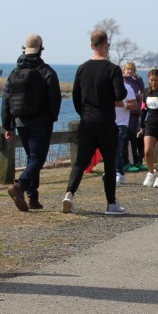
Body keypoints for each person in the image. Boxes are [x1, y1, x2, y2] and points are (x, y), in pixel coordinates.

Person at [62, 29, 128, 215]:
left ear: (91, 45)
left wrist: (84, 113)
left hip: (87, 121)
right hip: (106, 121)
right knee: (109, 162)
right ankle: (111, 203)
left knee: (80, 162)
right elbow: (120, 94)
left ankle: (69, 194)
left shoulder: (82, 68)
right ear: (106, 45)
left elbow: (76, 96)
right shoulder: (112, 69)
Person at [2, 34, 62, 212]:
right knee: (37, 159)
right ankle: (20, 186)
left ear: (25, 49)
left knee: (32, 159)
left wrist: (8, 125)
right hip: (41, 121)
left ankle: (33, 198)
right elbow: (55, 98)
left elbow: (6, 99)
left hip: (21, 121)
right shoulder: (47, 72)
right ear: (41, 50)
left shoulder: (14, 73)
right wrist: (52, 117)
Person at [122, 62, 146, 170]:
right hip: (129, 111)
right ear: (124, 70)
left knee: (133, 136)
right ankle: (126, 162)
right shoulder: (123, 81)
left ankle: (136, 161)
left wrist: (139, 79)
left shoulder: (134, 81)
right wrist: (137, 96)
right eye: (128, 69)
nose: (129, 71)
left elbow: (142, 88)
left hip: (136, 111)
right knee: (126, 136)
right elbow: (127, 95)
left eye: (132, 69)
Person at [115, 77, 138, 184]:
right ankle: (113, 171)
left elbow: (135, 105)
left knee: (115, 146)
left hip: (121, 123)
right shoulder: (106, 86)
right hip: (108, 122)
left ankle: (119, 173)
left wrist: (123, 105)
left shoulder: (127, 88)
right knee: (108, 148)